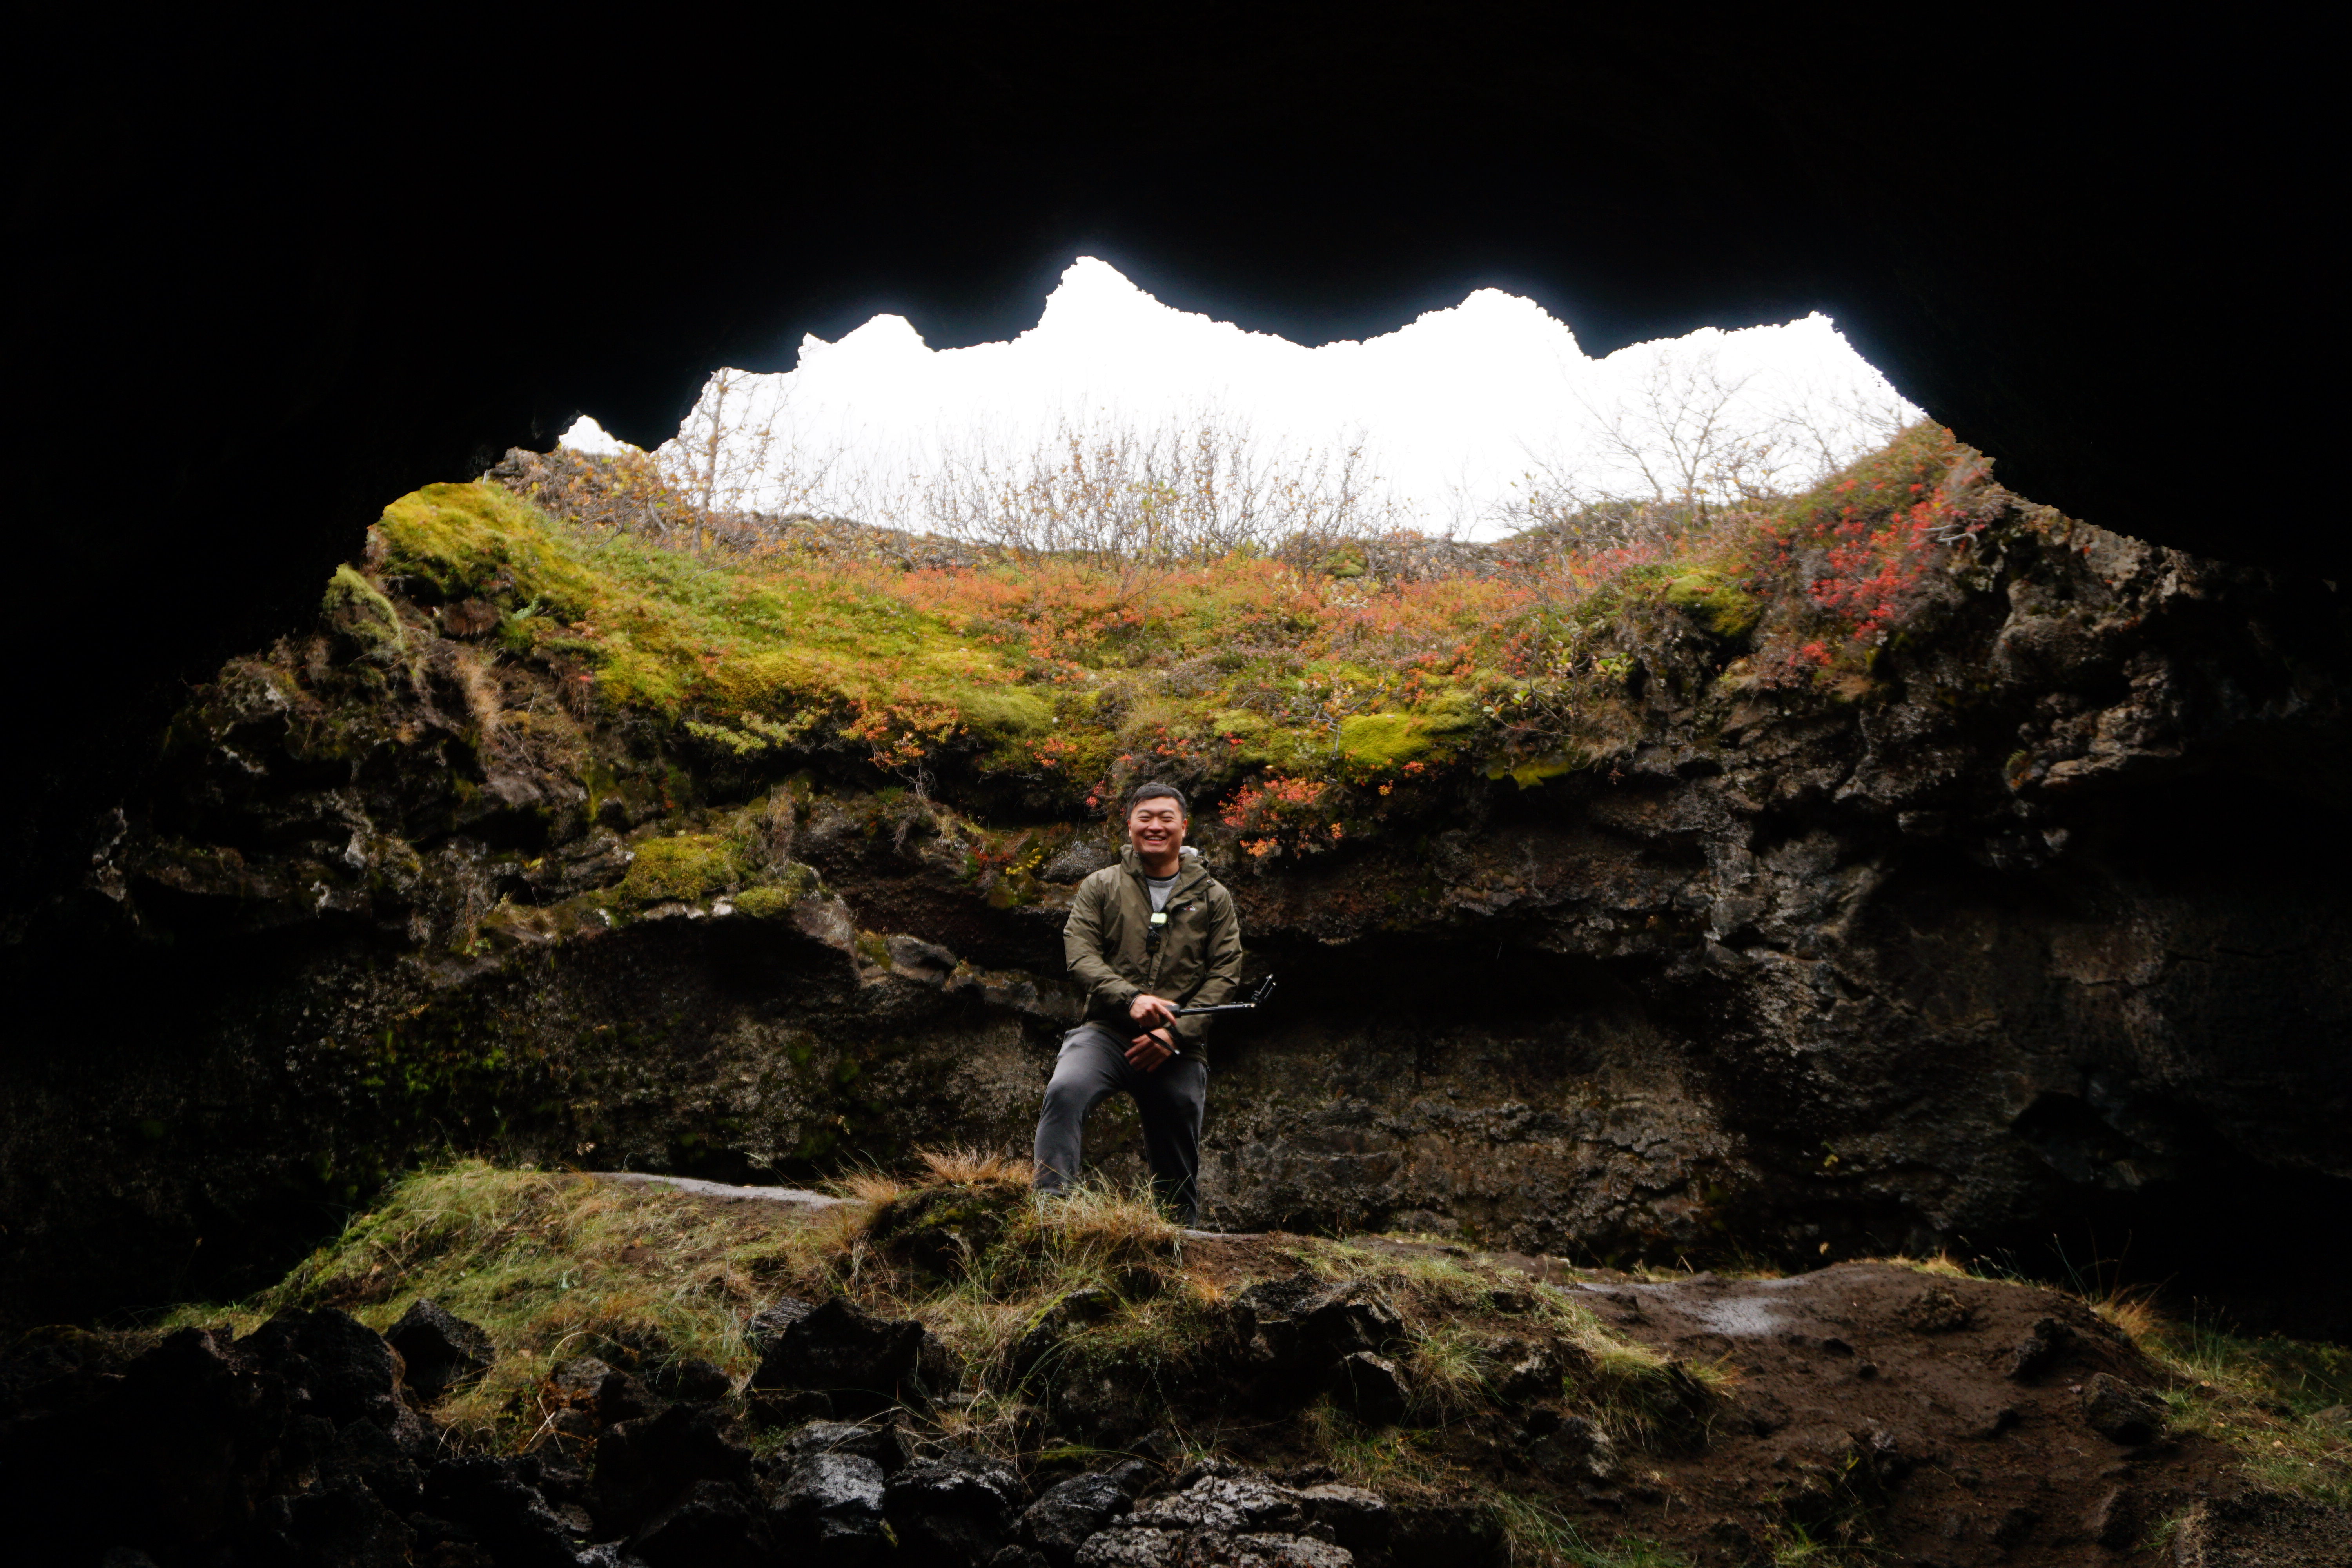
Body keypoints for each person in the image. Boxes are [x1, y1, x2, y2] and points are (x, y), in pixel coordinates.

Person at [1033, 782, 1243, 1224]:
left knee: (1179, 1124)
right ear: (1129, 825)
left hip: (1178, 1042)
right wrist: (1129, 998)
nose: (1155, 826)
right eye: (1145, 817)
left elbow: (1225, 974)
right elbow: (1080, 955)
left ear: (1184, 826)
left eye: (1166, 818)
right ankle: (1050, 1209)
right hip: (1107, 1031)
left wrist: (1175, 1034)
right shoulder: (1101, 885)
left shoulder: (1213, 898)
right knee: (1066, 1089)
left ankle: (1178, 1233)